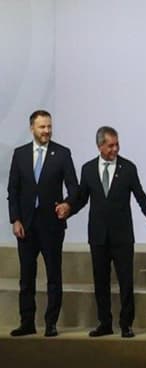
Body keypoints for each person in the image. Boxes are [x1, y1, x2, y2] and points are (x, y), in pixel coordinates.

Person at [67, 125, 146, 339]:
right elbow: (81, 198)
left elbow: (140, 196)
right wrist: (67, 209)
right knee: (101, 282)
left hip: (122, 236)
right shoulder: (88, 169)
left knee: (126, 281)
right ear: (99, 146)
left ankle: (126, 324)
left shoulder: (128, 168)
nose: (115, 149)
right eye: (110, 146)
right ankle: (104, 323)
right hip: (98, 236)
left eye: (117, 144)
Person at [8, 109, 79, 337]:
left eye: (49, 126)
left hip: (52, 225)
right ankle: (27, 322)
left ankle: (51, 323)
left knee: (53, 276)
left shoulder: (62, 153)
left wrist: (68, 204)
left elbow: (74, 187)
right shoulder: (20, 154)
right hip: (26, 226)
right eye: (42, 127)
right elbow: (13, 190)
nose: (47, 131)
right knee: (26, 277)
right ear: (32, 128)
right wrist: (15, 219)